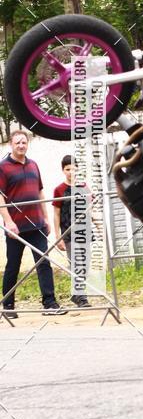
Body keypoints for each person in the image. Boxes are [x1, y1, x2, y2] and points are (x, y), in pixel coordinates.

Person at [0, 130, 65, 316]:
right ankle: (8, 306)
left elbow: (40, 193)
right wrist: (8, 221)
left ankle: (50, 304)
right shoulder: (3, 168)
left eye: (24, 142)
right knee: (13, 266)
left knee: (44, 262)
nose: (21, 145)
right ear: (11, 145)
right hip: (16, 227)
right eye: (17, 142)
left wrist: (45, 218)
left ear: (27, 144)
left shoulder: (33, 165)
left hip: (37, 225)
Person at [53, 155, 91, 308]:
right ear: (63, 170)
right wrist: (58, 237)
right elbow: (56, 213)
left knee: (86, 264)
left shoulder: (84, 187)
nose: (71, 172)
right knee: (77, 263)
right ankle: (82, 298)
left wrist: (99, 226)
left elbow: (91, 208)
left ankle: (76, 295)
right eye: (68, 169)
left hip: (85, 230)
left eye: (74, 169)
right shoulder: (59, 190)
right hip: (69, 233)